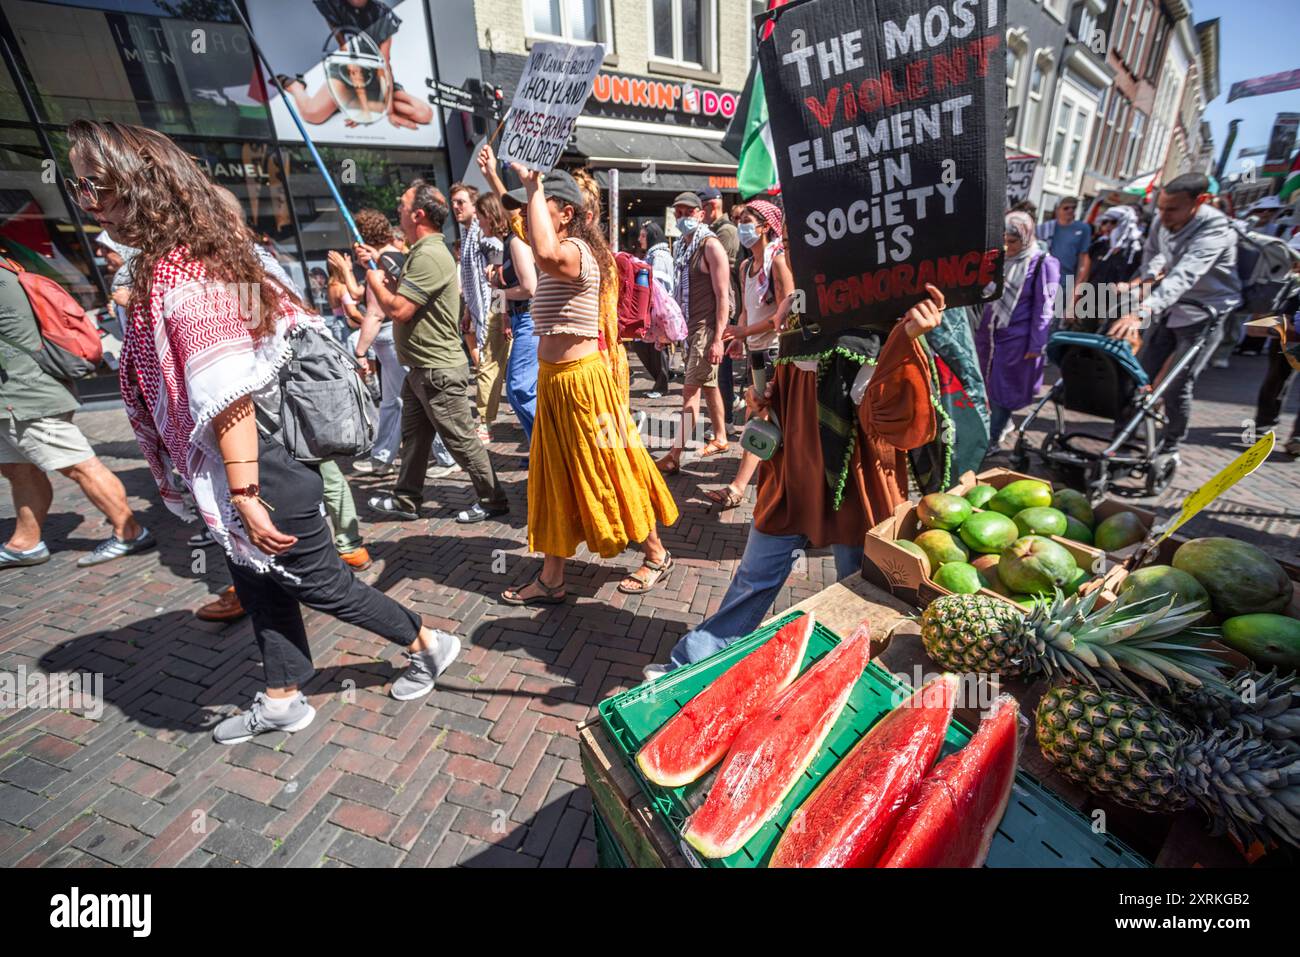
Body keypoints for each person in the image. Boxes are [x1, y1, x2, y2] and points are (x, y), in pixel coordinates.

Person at [68, 120, 460, 740]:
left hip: (261, 465)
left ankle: (430, 641)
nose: (87, 202)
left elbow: (230, 395)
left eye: (95, 184)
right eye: (79, 186)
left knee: (323, 584)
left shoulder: (188, 275)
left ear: (141, 185)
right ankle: (282, 697)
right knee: (258, 583)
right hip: (240, 465)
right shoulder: (178, 265)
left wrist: (246, 493)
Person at [645, 286, 944, 678]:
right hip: (792, 472)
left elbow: (895, 423)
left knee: (858, 592)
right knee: (755, 577)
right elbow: (786, 384)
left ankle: (849, 682)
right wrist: (766, 397)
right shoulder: (798, 301)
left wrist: (905, 341)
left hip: (855, 479)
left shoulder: (884, 303)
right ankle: (688, 667)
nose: (790, 238)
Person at [497, 167, 678, 604]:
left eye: (541, 205)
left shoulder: (574, 251)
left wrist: (533, 186)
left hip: (584, 386)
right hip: (557, 385)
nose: (528, 213)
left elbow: (541, 249)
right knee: (554, 480)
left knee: (614, 472)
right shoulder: (560, 242)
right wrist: (496, 179)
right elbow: (525, 226)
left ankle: (656, 554)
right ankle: (553, 578)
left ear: (567, 214)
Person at [360, 180, 510, 524]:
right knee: (414, 440)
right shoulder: (420, 251)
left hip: (437, 370)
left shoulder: (429, 254)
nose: (397, 209)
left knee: (461, 440)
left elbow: (399, 310)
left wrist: (374, 285)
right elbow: (410, 297)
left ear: (419, 214)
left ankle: (493, 499)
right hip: (420, 370)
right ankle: (406, 498)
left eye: (402, 204)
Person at [0, 260, 154, 570]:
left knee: (80, 465)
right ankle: (25, 542)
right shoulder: (8, 269)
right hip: (17, 396)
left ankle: (130, 532)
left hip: (26, 396)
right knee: (19, 469)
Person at [1107, 173, 1242, 456]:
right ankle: (1122, 439)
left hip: (1205, 311)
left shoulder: (1216, 230)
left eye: (1172, 209)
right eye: (1160, 208)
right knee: (1140, 373)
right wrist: (1141, 287)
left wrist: (1143, 310)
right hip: (1169, 307)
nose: (1163, 215)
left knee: (1177, 384)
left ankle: (1171, 445)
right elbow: (1155, 257)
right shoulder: (1161, 221)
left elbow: (1185, 274)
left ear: (1199, 202)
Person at [707, 200, 792, 509]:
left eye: (746, 221)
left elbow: (783, 316)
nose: (741, 227)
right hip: (755, 352)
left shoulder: (778, 262)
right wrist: (739, 338)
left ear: (765, 227)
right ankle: (770, 491)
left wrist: (742, 332)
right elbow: (745, 311)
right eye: (739, 220)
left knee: (758, 416)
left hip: (774, 352)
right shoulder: (745, 267)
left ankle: (739, 487)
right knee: (762, 419)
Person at [656, 191, 730, 474]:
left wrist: (718, 339)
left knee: (689, 392)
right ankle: (721, 436)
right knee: (709, 386)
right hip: (689, 329)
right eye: (679, 213)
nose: (683, 218)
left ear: (701, 214)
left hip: (705, 330)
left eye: (688, 212)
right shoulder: (683, 247)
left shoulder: (710, 246)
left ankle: (674, 455)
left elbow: (723, 295)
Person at [973, 211, 1060, 444]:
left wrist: (1037, 344)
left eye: (1012, 241)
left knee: (1004, 391)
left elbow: (1045, 307)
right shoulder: (999, 259)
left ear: (1026, 237)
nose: (1006, 246)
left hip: (1017, 340)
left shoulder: (1042, 263)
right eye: (1003, 239)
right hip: (989, 336)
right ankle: (991, 429)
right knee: (985, 386)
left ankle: (991, 439)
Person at [478, 192, 538, 447]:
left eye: (480, 218)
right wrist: (503, 314)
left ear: (491, 216)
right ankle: (539, 450)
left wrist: (497, 293)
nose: (478, 224)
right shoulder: (506, 245)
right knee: (520, 390)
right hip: (518, 319)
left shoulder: (515, 242)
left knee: (519, 389)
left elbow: (529, 287)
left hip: (528, 319)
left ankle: (549, 445)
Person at [451, 182, 508, 443]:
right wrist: (466, 311)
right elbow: (471, 278)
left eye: (460, 202)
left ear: (475, 207)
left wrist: (501, 315)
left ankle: (485, 423)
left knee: (487, 368)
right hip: (480, 312)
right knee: (491, 368)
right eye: (453, 203)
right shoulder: (467, 236)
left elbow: (499, 279)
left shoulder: (484, 237)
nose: (455, 207)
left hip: (494, 313)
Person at [1080, 205, 1144, 333]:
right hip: (1090, 304)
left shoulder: (1138, 248)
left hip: (1118, 308)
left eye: (1114, 222)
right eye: (1105, 222)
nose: (1108, 226)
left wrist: (1129, 285)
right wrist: (1072, 304)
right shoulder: (1098, 246)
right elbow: (1083, 277)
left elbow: (1153, 273)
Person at [628, 220, 671, 397]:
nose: (640, 239)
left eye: (643, 235)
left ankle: (661, 384)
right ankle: (660, 381)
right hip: (653, 307)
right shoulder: (654, 255)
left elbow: (658, 285)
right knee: (646, 344)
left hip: (657, 308)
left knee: (657, 347)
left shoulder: (659, 256)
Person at [1037, 196, 1091, 321]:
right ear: (1057, 210)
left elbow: (1084, 263)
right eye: (1066, 208)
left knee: (1052, 324)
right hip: (1044, 281)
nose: (1070, 211)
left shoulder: (1083, 229)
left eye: (1073, 208)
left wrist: (1073, 301)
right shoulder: (1045, 229)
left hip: (1066, 283)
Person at [325, 253, 363, 344]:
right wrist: (369, 322)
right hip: (348, 327)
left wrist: (349, 270)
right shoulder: (342, 288)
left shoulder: (331, 286)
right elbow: (352, 313)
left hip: (339, 324)